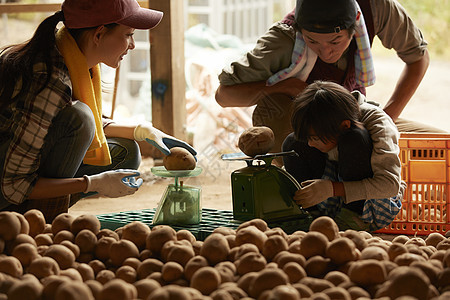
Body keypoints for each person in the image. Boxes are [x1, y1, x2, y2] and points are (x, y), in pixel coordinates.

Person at [0, 0, 196, 222]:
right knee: (80, 117)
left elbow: (58, 123)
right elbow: (13, 185)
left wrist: (143, 131)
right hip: (7, 191)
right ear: (99, 34)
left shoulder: (72, 57)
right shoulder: (50, 81)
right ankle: (34, 220)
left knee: (126, 153)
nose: (132, 45)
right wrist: (91, 184)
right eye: (128, 35)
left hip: (16, 171)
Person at [215, 0, 445, 154]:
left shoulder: (375, 8)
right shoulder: (283, 41)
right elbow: (224, 96)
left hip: (353, 118)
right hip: (308, 137)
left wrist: (387, 118)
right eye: (312, 41)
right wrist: (281, 86)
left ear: (355, 23)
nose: (325, 52)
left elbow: (418, 58)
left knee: (440, 148)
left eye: (335, 42)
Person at [283, 81, 404, 230]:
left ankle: (353, 216)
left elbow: (389, 186)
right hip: (328, 189)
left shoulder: (378, 124)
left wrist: (332, 189)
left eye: (315, 138)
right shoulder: (326, 126)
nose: (310, 144)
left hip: (371, 202)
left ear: (344, 126)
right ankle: (309, 212)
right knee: (293, 142)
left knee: (355, 138)